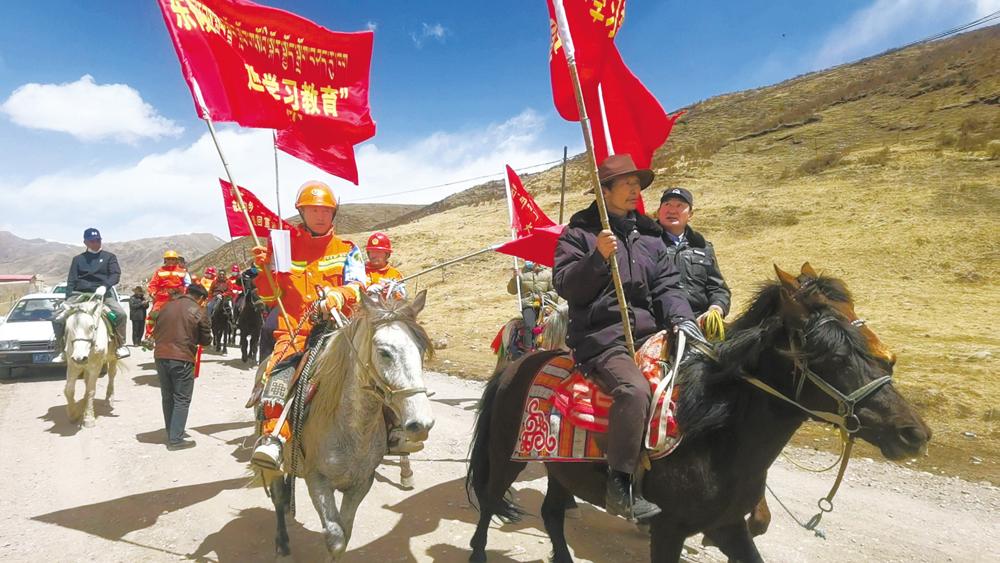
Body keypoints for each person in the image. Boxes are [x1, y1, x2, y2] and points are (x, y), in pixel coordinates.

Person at [553, 154, 701, 521]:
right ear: (604, 191)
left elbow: (667, 286)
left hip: (648, 334)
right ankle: (619, 485)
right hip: (602, 337)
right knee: (634, 391)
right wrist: (597, 258)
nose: (636, 190)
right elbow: (567, 286)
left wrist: (682, 319)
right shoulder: (579, 233)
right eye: (628, 184)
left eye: (638, 184)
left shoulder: (650, 236)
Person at [249, 180, 367, 470]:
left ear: (333, 213)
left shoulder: (348, 249)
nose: (319, 215)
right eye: (313, 210)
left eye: (325, 210)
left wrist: (340, 294)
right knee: (277, 372)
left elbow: (358, 284)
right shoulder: (283, 247)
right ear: (301, 212)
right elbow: (270, 297)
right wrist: (265, 270)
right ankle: (273, 437)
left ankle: (394, 431)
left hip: (339, 329)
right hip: (295, 331)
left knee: (378, 365)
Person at [656, 188, 732, 328]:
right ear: (658, 211)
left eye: (679, 205)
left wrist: (717, 308)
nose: (672, 210)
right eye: (667, 204)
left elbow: (718, 288)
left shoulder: (703, 246)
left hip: (698, 322)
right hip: (659, 324)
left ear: (690, 214)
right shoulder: (645, 243)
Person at [153, 283, 213, 451]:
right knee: (182, 398)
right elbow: (205, 340)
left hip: (160, 356)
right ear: (201, 298)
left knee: (167, 396)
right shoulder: (198, 311)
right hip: (182, 358)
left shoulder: (166, 306)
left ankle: (171, 431)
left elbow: (156, 330)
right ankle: (176, 439)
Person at [53, 227, 129, 359]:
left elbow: (115, 275)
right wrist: (68, 299)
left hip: (102, 294)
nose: (96, 243)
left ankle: (120, 345)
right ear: (85, 242)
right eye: (92, 241)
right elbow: (71, 280)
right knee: (57, 317)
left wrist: (105, 286)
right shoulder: (78, 259)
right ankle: (61, 349)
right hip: (79, 294)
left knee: (121, 314)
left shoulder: (109, 257)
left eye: (98, 240)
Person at [506, 261, 558, 350]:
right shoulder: (521, 273)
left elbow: (555, 292)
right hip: (528, 304)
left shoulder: (548, 274)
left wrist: (545, 296)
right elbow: (511, 291)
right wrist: (515, 279)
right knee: (529, 325)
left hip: (545, 304)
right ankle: (528, 350)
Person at [145, 250, 189, 341]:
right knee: (152, 315)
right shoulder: (159, 271)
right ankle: (149, 335)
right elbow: (153, 284)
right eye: (168, 259)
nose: (170, 261)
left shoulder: (183, 272)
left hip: (177, 297)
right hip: (162, 297)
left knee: (188, 315)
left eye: (173, 259)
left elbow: (187, 285)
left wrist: (182, 291)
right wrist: (152, 292)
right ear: (165, 260)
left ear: (176, 260)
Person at [364, 231, 406, 299]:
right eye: (371, 252)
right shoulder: (360, 272)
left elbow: (400, 301)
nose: (374, 255)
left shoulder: (395, 275)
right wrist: (366, 292)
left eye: (378, 252)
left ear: (387, 254)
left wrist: (395, 293)